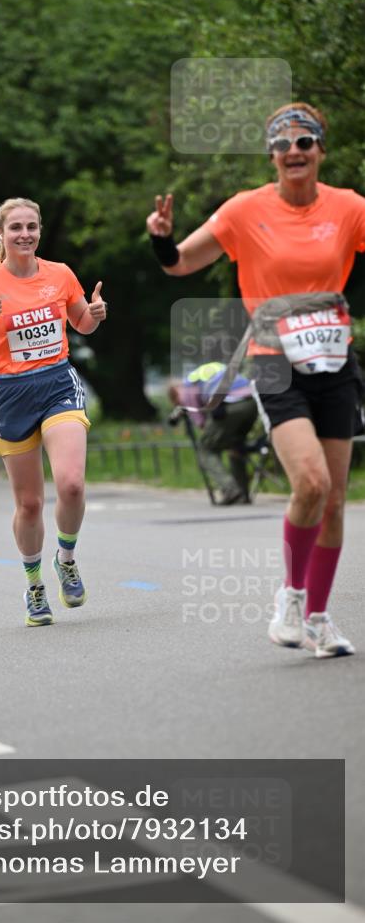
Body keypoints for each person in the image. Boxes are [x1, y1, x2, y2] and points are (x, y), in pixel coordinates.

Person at [147, 101, 365, 659]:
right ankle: (290, 598)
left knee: (335, 500)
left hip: (335, 359)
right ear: (271, 156)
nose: (295, 151)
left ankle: (317, 618)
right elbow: (179, 263)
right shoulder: (245, 210)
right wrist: (162, 238)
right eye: (283, 144)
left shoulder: (348, 207)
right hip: (273, 360)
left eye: (305, 142)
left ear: (320, 150)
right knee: (311, 483)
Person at [0, 197, 107, 627]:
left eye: (31, 226)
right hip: (11, 393)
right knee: (31, 503)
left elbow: (81, 324)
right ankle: (35, 584)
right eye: (15, 227)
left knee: (71, 484)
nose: (25, 234)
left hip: (58, 384)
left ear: (40, 230)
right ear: (0, 233)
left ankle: (66, 559)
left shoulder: (60, 274)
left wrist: (93, 314)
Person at [169, 361, 258, 504]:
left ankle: (230, 489)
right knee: (235, 446)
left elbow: (201, 422)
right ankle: (243, 494)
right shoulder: (206, 371)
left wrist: (206, 430)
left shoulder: (187, 388)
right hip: (251, 401)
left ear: (175, 394)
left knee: (205, 448)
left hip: (229, 404)